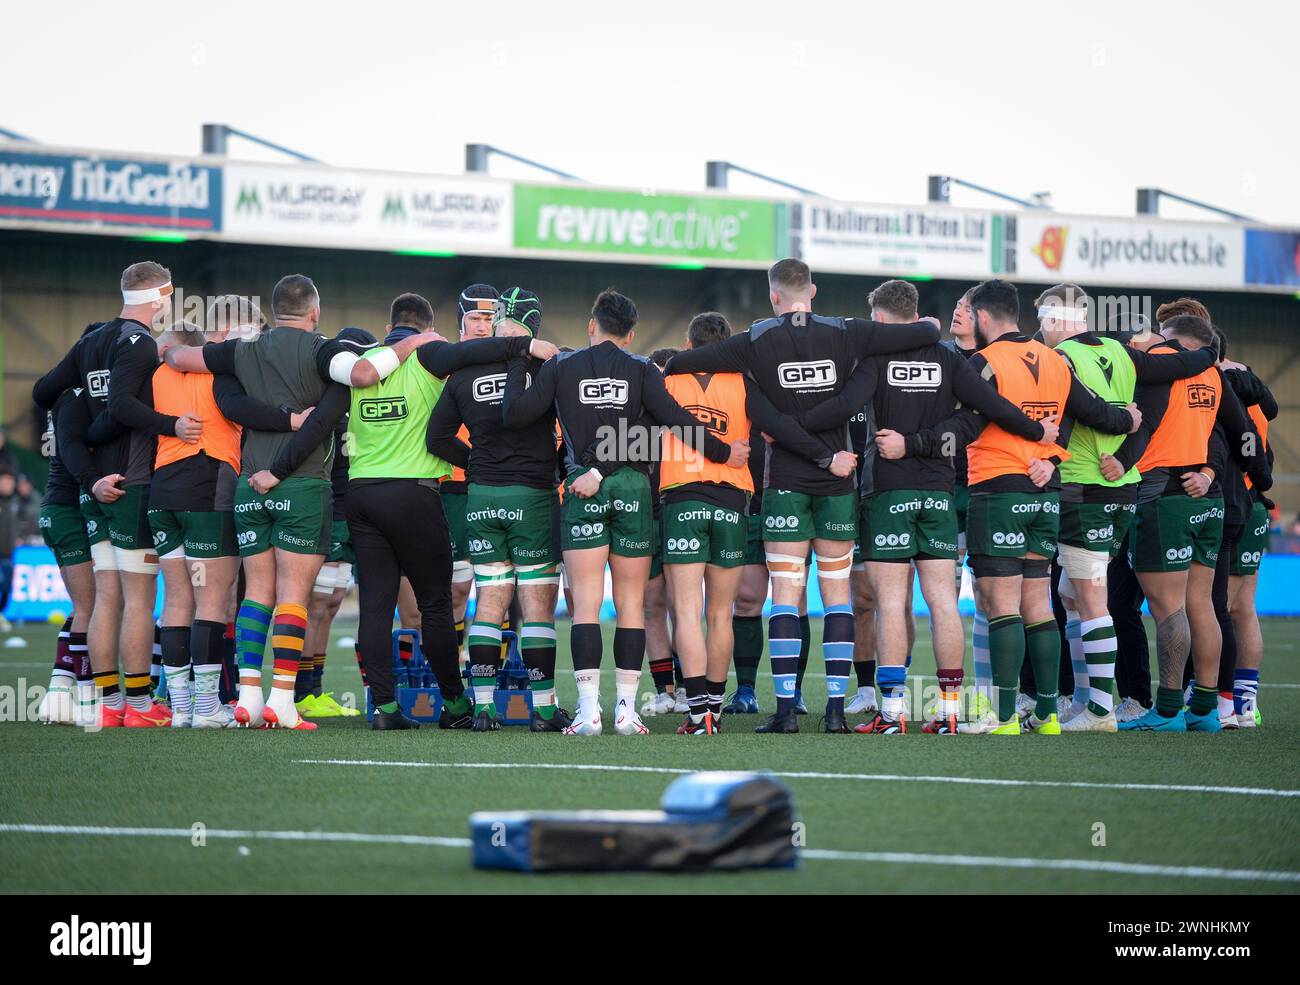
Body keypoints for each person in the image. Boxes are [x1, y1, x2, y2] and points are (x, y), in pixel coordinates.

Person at [664, 259, 938, 734]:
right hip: (839, 482)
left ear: (773, 296)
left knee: (786, 600)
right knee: (837, 600)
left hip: (787, 482)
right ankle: (834, 712)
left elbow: (684, 362)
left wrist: (786, 429)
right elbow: (928, 332)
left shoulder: (756, 338)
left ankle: (786, 711)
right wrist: (829, 452)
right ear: (812, 290)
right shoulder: (848, 331)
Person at [288, 292, 559, 730]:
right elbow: (472, 352)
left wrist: (274, 469)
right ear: (429, 328)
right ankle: (454, 705)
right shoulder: (429, 355)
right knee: (436, 604)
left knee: (376, 607)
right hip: (414, 493)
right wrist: (524, 346)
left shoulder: (365, 362)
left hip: (361, 494)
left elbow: (320, 423)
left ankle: (386, 709)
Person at [796, 279, 1053, 733]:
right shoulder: (952, 358)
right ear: (914, 312)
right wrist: (1038, 436)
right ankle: (949, 711)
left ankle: (892, 713)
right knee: (943, 602)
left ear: (879, 319)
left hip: (889, 491)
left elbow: (842, 407)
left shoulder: (874, 358)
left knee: (892, 603)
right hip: (938, 494)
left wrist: (788, 427)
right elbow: (990, 409)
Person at [502, 288, 746, 736]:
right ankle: (627, 713)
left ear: (591, 325)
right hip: (634, 488)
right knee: (631, 604)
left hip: (583, 490)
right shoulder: (640, 369)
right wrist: (722, 450)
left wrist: (518, 354)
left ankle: (588, 712)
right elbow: (672, 421)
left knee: (586, 607)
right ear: (632, 334)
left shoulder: (560, 366)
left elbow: (515, 413)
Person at [162, 274, 398, 729]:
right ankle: (283, 700)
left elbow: (178, 354)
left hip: (249, 486)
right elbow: (365, 373)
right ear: (314, 311)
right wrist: (408, 346)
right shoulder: (322, 349)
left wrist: (167, 350)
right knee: (294, 596)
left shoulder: (240, 351)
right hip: (303, 487)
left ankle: (247, 698)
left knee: (256, 595)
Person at [930, 279, 1137, 735]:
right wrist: (1063, 450)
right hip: (1045, 493)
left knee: (999, 603)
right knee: (1038, 603)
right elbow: (1093, 412)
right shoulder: (1054, 359)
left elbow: (974, 418)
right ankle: (1046, 715)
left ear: (983, 318)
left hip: (998, 488)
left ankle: (1001, 716)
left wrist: (918, 443)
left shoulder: (984, 362)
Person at [1034, 286, 1218, 731]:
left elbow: (1084, 411)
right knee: (1071, 594)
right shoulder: (1121, 350)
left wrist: (1054, 452)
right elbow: (1181, 362)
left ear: (1054, 318)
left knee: (1093, 596)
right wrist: (1213, 355)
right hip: (1123, 489)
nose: (1039, 330)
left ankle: (1099, 711)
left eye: (1041, 320)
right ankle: (1084, 701)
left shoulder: (1062, 359)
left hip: (1087, 485)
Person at [33, 261, 196, 728]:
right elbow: (124, 404)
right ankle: (140, 706)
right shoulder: (140, 342)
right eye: (167, 297)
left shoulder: (90, 340)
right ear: (158, 299)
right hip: (130, 483)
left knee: (106, 599)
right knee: (139, 600)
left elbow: (45, 390)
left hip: (94, 489)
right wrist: (173, 425)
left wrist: (86, 420)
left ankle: (104, 705)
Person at [661, 311, 832, 734]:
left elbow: (634, 435)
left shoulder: (668, 380)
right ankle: (715, 710)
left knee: (688, 612)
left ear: (687, 345)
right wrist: (827, 455)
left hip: (683, 501)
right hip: (733, 505)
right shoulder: (745, 385)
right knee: (721, 614)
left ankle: (696, 710)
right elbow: (779, 427)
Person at [1111, 313, 1268, 732]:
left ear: (1174, 340)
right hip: (1208, 499)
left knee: (1168, 608)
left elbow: (1142, 429)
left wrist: (1120, 461)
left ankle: (1165, 712)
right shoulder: (1214, 377)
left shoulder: (1161, 365)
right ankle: (1204, 709)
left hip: (1163, 494)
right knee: (1202, 604)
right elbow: (1244, 431)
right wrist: (1260, 477)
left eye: (1162, 338)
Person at [427, 287, 572, 731]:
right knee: (536, 604)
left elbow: (435, 439)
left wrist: (474, 463)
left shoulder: (464, 371)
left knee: (488, 599)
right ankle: (544, 709)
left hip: (482, 496)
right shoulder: (546, 366)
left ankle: (484, 708)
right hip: (531, 496)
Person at [148, 315, 304, 728]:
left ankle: (180, 707)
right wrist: (290, 419)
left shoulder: (158, 374)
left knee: (177, 600)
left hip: (161, 491)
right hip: (208, 485)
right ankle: (205, 709)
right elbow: (241, 409)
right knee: (212, 601)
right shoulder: (223, 371)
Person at [440, 284, 501, 662]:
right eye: (475, 319)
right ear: (461, 323)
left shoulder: (510, 364)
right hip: (454, 489)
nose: (482, 327)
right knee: (456, 589)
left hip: (499, 486)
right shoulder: (443, 364)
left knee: (501, 587)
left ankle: (505, 670)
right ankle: (453, 659)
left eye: (489, 319)